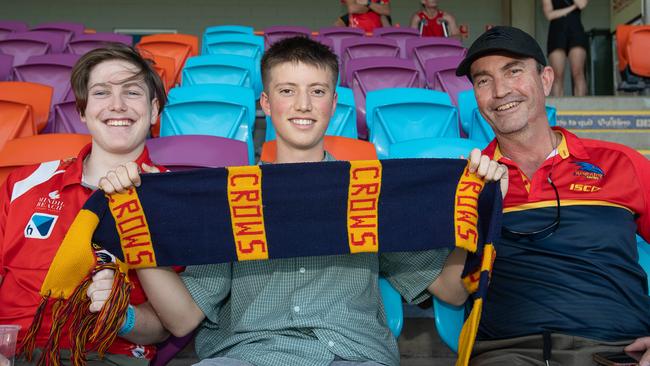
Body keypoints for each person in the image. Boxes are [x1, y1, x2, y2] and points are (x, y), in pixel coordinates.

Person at [88, 36, 507, 366]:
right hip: (245, 356)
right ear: (266, 104)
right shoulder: (231, 197)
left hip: (354, 355)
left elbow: (451, 293)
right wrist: (135, 223)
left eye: (318, 91)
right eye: (288, 91)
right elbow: (182, 319)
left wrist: (472, 211)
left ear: (334, 103)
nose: (303, 104)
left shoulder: (371, 193)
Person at [454, 26, 650, 366]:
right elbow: (454, 288)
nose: (500, 91)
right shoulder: (467, 181)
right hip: (507, 354)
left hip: (620, 350)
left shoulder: (621, 163)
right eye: (483, 80)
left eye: (513, 71)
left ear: (546, 79)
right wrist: (474, 207)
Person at [0, 43, 170, 365]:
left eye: (132, 93)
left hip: (107, 356)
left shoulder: (173, 198)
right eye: (102, 93)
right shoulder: (22, 185)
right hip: (11, 350)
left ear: (154, 110)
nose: (117, 105)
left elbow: (168, 326)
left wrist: (124, 316)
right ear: (81, 110)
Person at [542, 0, 589, 96]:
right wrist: (572, 7)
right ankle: (558, 109)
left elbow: (582, 4)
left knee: (578, 73)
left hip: (576, 30)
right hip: (557, 32)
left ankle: (581, 109)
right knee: (557, 76)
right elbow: (549, 15)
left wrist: (561, 12)